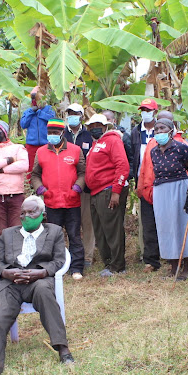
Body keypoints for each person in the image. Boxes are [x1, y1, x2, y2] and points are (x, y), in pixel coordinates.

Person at [0, 196, 74, 375]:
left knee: (45, 293)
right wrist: (7, 273)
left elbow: (59, 261)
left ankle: (63, 350)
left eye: (31, 212)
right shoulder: (7, 234)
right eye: (23, 213)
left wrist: (41, 273)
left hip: (39, 282)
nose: (26, 216)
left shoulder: (54, 232)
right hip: (10, 284)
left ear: (42, 215)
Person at [31, 119, 86, 279]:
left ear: (62, 133)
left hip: (72, 201)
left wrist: (77, 188)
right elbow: (35, 174)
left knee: (74, 235)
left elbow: (83, 172)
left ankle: (76, 268)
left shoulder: (75, 150)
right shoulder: (41, 152)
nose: (52, 136)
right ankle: (55, 267)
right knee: (52, 237)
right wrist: (41, 189)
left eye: (56, 133)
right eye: (50, 133)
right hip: (51, 202)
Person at [147, 117, 188, 279]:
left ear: (171, 131)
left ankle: (187, 267)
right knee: (166, 227)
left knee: (183, 224)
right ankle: (173, 267)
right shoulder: (153, 151)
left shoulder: (181, 148)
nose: (159, 132)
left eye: (163, 129)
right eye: (157, 130)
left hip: (180, 187)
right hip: (161, 190)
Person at [85, 114, 130, 276]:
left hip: (108, 190)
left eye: (98, 125)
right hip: (96, 192)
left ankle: (118, 266)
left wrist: (116, 191)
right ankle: (109, 263)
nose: (94, 128)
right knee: (101, 230)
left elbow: (123, 166)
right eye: (91, 126)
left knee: (112, 229)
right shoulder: (95, 144)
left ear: (105, 126)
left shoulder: (113, 140)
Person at [129, 99, 162, 272]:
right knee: (147, 222)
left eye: (148, 110)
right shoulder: (135, 132)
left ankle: (167, 254)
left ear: (155, 112)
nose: (145, 113)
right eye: (142, 110)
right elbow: (133, 157)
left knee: (164, 219)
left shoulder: (162, 130)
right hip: (144, 182)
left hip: (162, 180)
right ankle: (150, 259)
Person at [65, 104, 96, 267]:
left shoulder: (89, 134)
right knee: (71, 222)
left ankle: (88, 257)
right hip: (65, 186)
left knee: (87, 222)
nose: (72, 117)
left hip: (85, 187)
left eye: (75, 114)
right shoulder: (62, 134)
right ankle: (71, 255)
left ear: (82, 116)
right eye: (69, 114)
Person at [20, 86, 56, 179]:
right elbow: (23, 124)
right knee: (31, 167)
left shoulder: (49, 109)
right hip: (31, 144)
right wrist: (32, 112)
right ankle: (31, 186)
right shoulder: (28, 111)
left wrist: (39, 112)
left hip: (46, 143)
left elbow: (52, 121)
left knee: (47, 166)